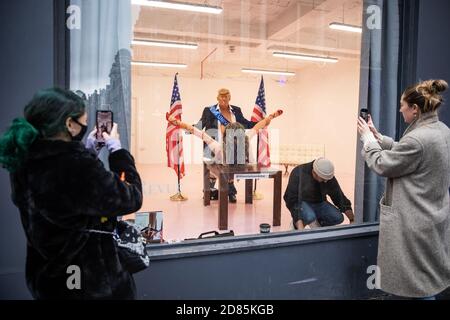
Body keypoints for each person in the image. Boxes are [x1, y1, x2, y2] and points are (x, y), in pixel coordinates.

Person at [0, 88, 143, 299]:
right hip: (89, 284)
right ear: (69, 124)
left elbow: (71, 199)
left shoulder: (26, 159)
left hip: (51, 278)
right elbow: (131, 197)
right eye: (83, 120)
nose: (86, 125)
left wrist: (88, 152)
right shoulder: (77, 166)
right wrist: (118, 151)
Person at [357, 79, 450, 300]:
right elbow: (415, 154)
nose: (400, 109)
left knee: (418, 285)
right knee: (426, 278)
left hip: (413, 219)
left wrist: (368, 141)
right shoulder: (441, 130)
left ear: (415, 109)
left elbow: (382, 164)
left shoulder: (418, 138)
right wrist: (380, 138)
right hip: (431, 214)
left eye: (403, 105)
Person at [167, 109, 282, 185]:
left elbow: (196, 131)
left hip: (226, 171)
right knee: (215, 165)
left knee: (212, 166)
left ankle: (211, 186)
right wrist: (271, 116)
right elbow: (259, 126)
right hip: (243, 169)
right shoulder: (246, 137)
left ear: (226, 135)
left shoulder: (219, 146)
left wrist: (177, 122)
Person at [193, 88, 257, 203]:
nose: (223, 98)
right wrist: (185, 127)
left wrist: (260, 123)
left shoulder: (236, 110)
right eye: (221, 96)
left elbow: (245, 123)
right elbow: (200, 125)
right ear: (217, 97)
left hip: (230, 146)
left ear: (229, 98)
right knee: (212, 169)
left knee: (229, 168)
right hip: (213, 145)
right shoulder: (209, 110)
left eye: (226, 96)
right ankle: (209, 191)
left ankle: (231, 192)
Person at [283, 157, 354, 230]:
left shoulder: (327, 176)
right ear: (314, 173)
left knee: (338, 217)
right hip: (301, 203)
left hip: (319, 203)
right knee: (310, 216)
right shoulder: (299, 173)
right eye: (323, 179)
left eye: (327, 180)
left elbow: (339, 196)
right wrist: (299, 228)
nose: (325, 182)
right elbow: (292, 200)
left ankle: (318, 226)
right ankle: (298, 224)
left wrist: (352, 220)